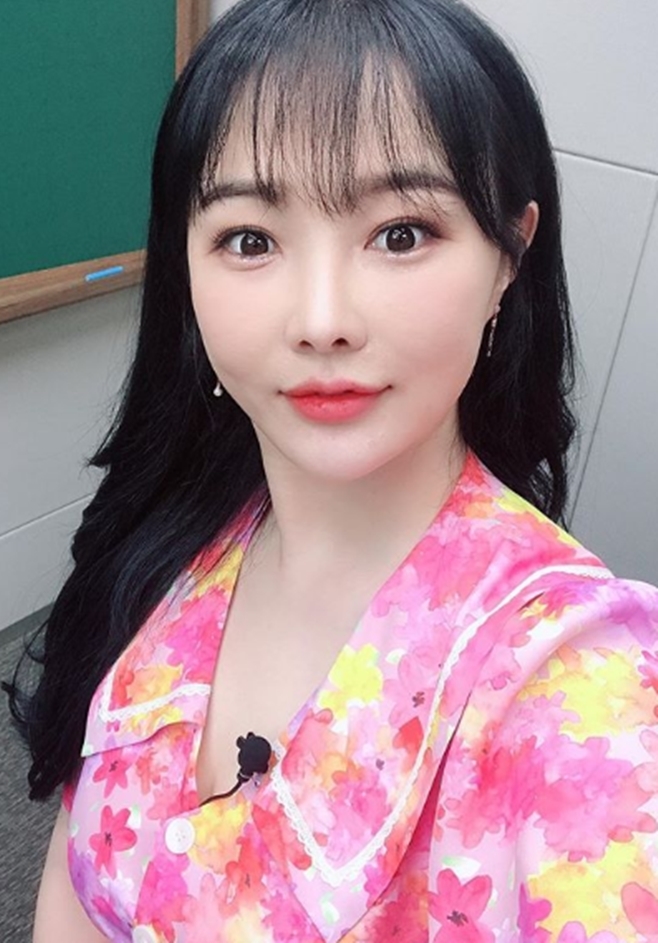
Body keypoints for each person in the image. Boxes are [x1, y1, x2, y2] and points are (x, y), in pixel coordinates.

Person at [7, 0, 658, 939]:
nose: (321, 320)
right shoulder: (167, 532)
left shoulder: (573, 683)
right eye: (250, 240)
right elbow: (77, 872)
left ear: (508, 255)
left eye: (401, 233)